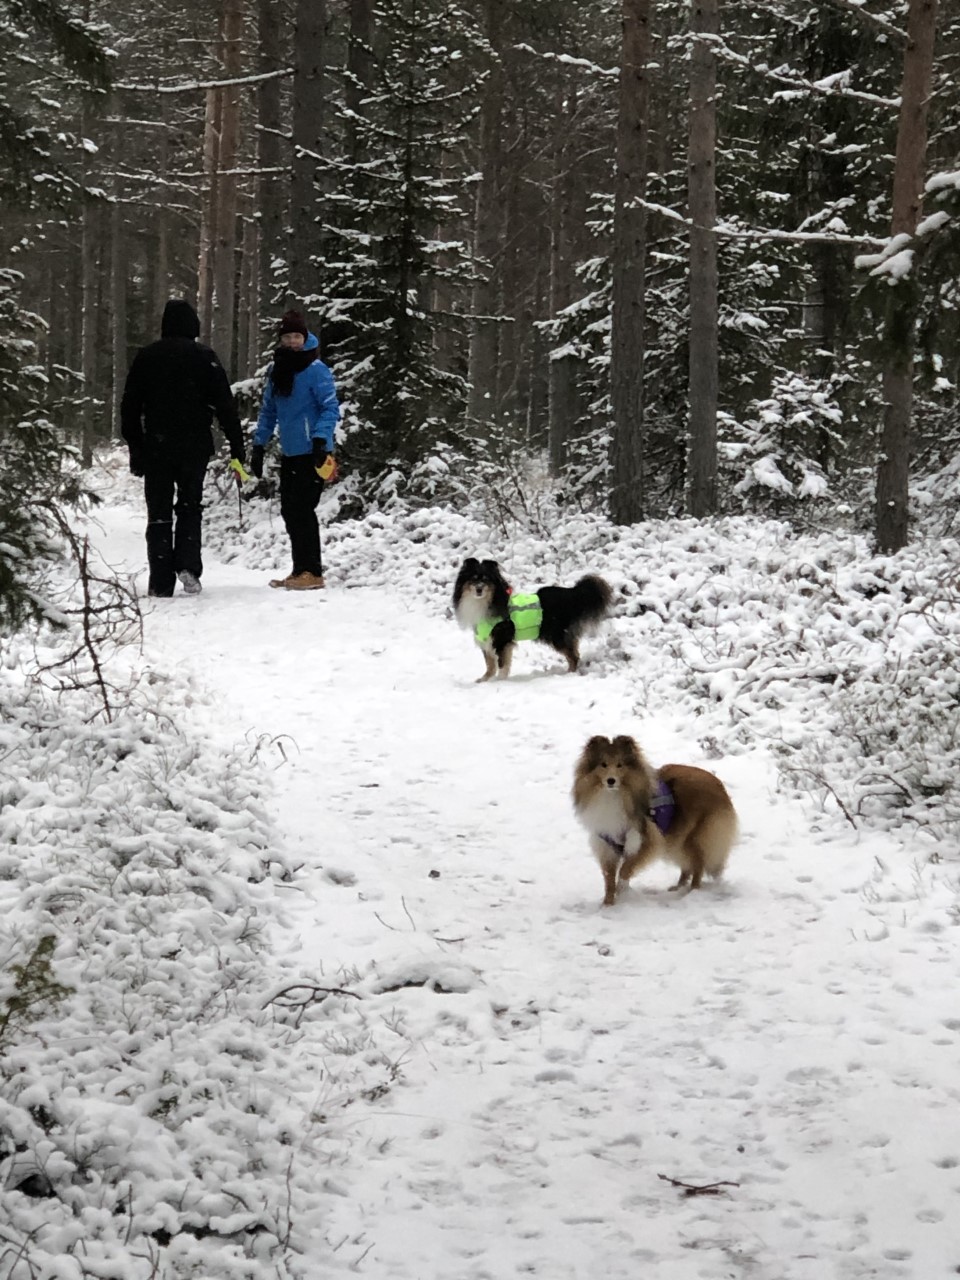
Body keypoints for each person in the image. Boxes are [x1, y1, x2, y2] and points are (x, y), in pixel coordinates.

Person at [120, 299, 245, 598]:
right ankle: (188, 565)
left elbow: (129, 408)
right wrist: (237, 447)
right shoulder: (205, 357)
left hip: (157, 447)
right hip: (194, 446)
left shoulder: (147, 357)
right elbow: (225, 407)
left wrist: (136, 449)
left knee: (159, 511)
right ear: (194, 326)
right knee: (190, 506)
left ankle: (161, 580)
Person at [250, 309, 341, 591]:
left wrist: (320, 439)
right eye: (287, 337)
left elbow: (330, 407)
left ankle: (312, 571)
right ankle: (299, 569)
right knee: (290, 510)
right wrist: (259, 444)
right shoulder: (277, 370)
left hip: (314, 452)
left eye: (296, 336)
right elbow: (269, 411)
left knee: (303, 509)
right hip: (290, 451)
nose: (292, 342)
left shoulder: (316, 370)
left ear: (305, 337)